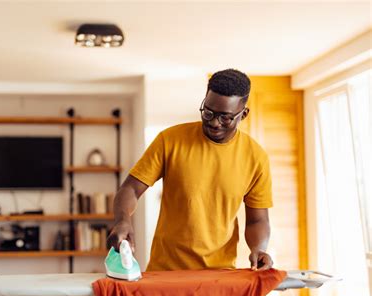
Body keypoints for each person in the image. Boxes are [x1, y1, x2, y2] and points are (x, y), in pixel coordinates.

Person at [107, 69, 274, 271]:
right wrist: (122, 220)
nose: (214, 122)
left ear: (243, 114)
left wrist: (259, 248)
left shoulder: (255, 157)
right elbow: (131, 189)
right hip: (166, 271)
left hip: (219, 274)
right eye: (208, 112)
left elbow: (257, 219)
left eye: (225, 118)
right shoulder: (169, 140)